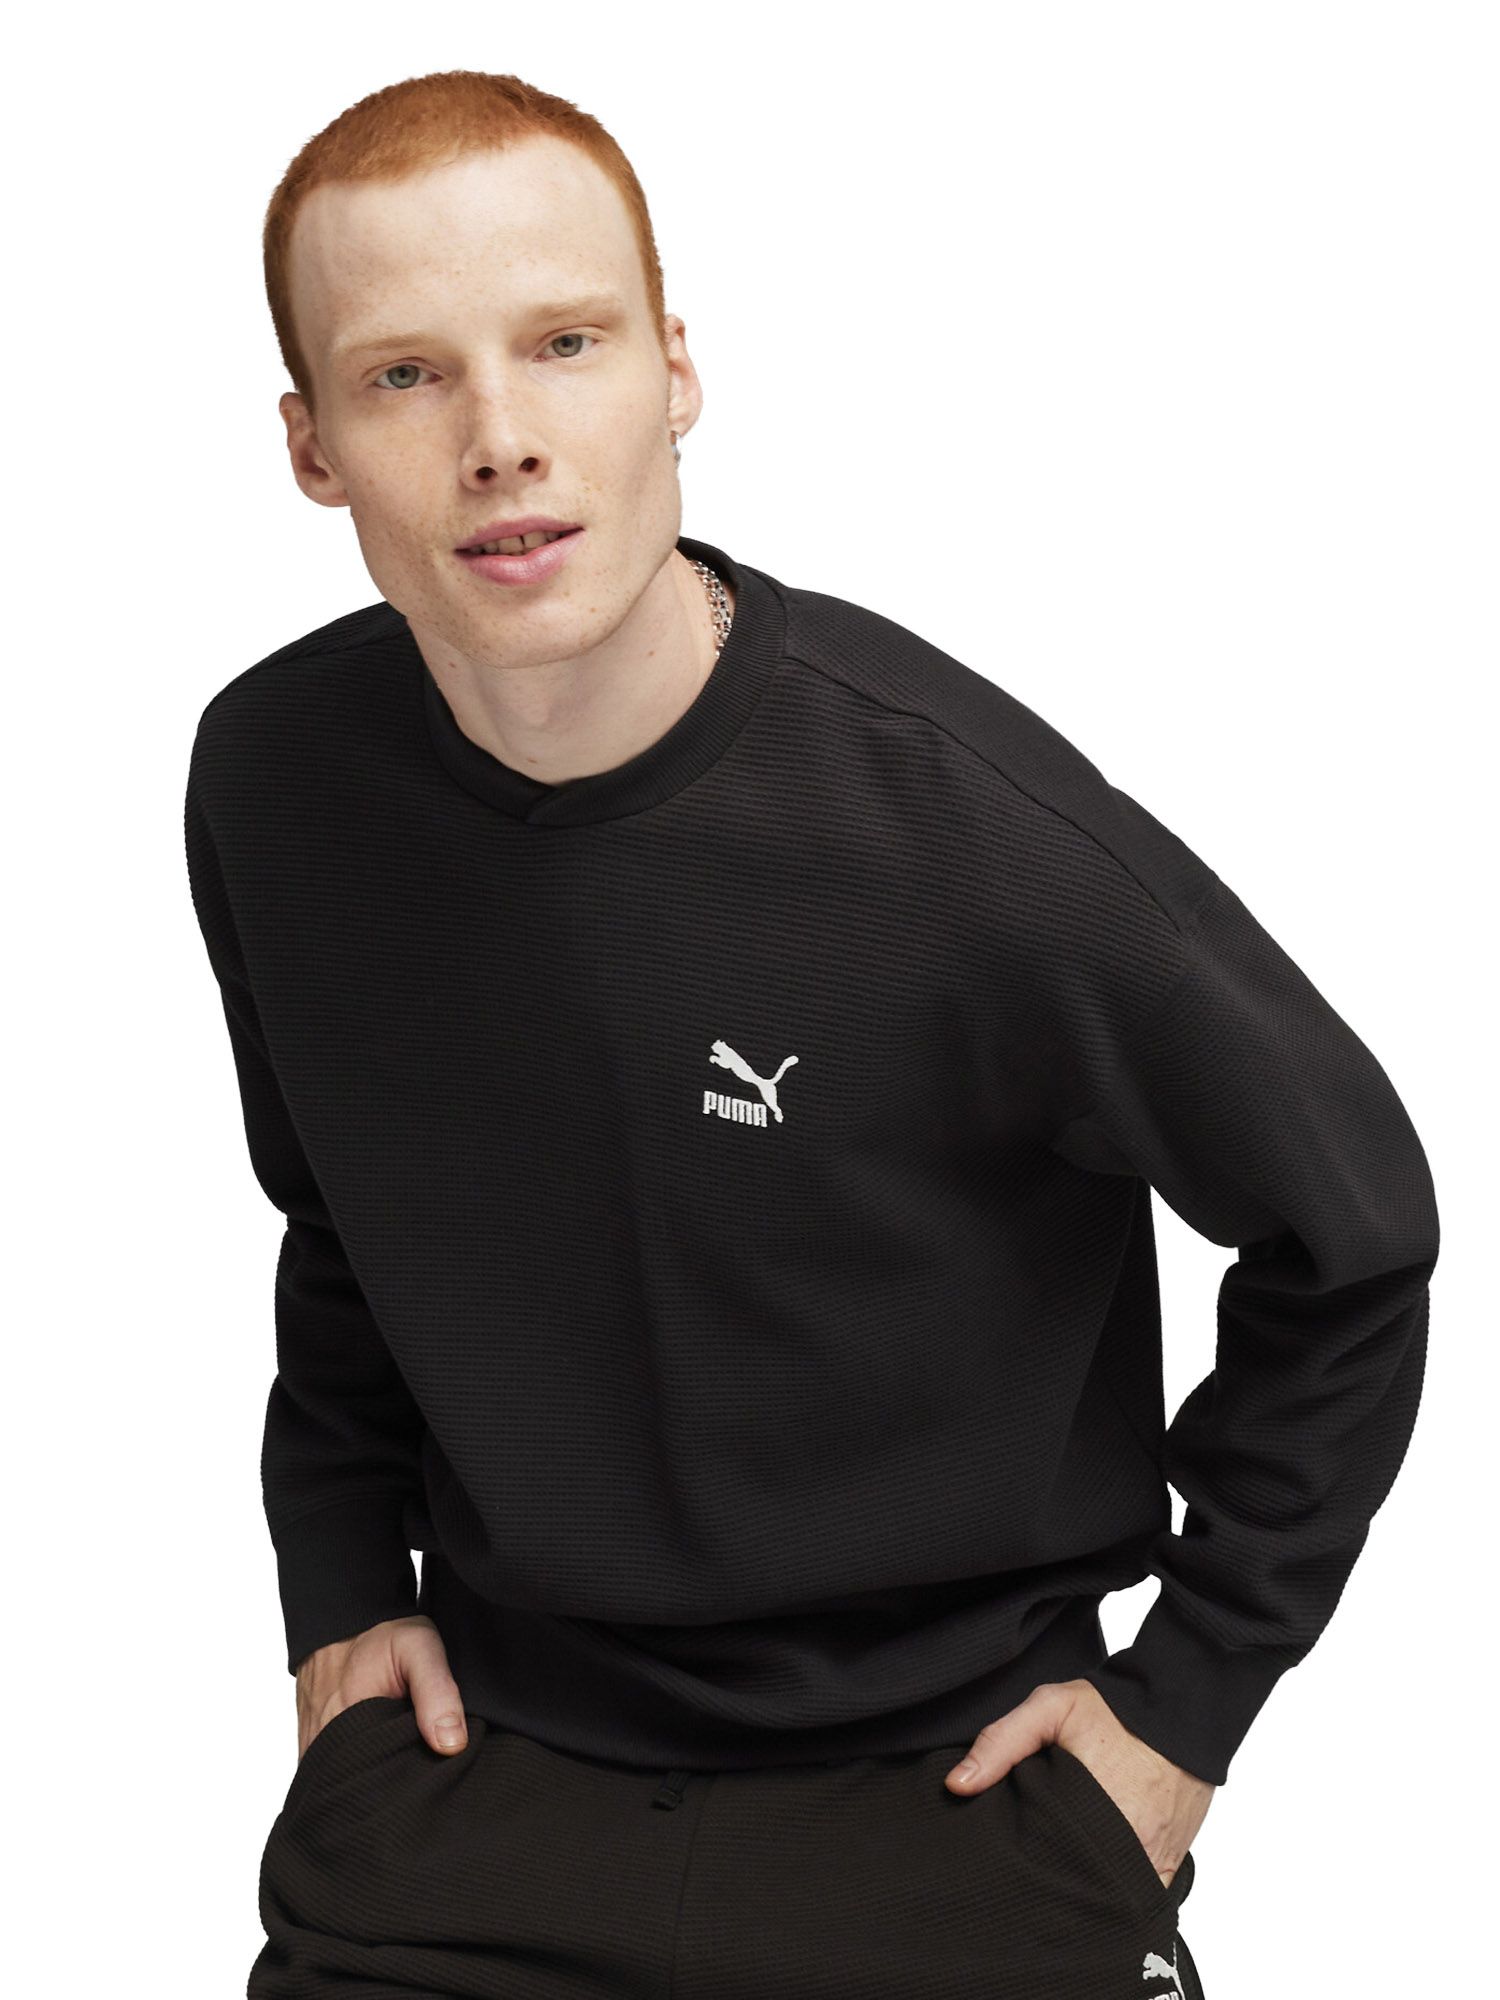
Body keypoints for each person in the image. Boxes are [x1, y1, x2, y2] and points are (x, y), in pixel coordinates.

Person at [183, 68, 1440, 2000]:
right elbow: (339, 1219)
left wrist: (1183, 1710)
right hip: (478, 1780)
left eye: (566, 343)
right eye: (406, 375)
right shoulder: (277, 781)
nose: (502, 439)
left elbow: (1352, 1234)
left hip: (955, 1794)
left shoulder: (961, 833)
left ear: (675, 371)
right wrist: (339, 1594)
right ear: (313, 444)